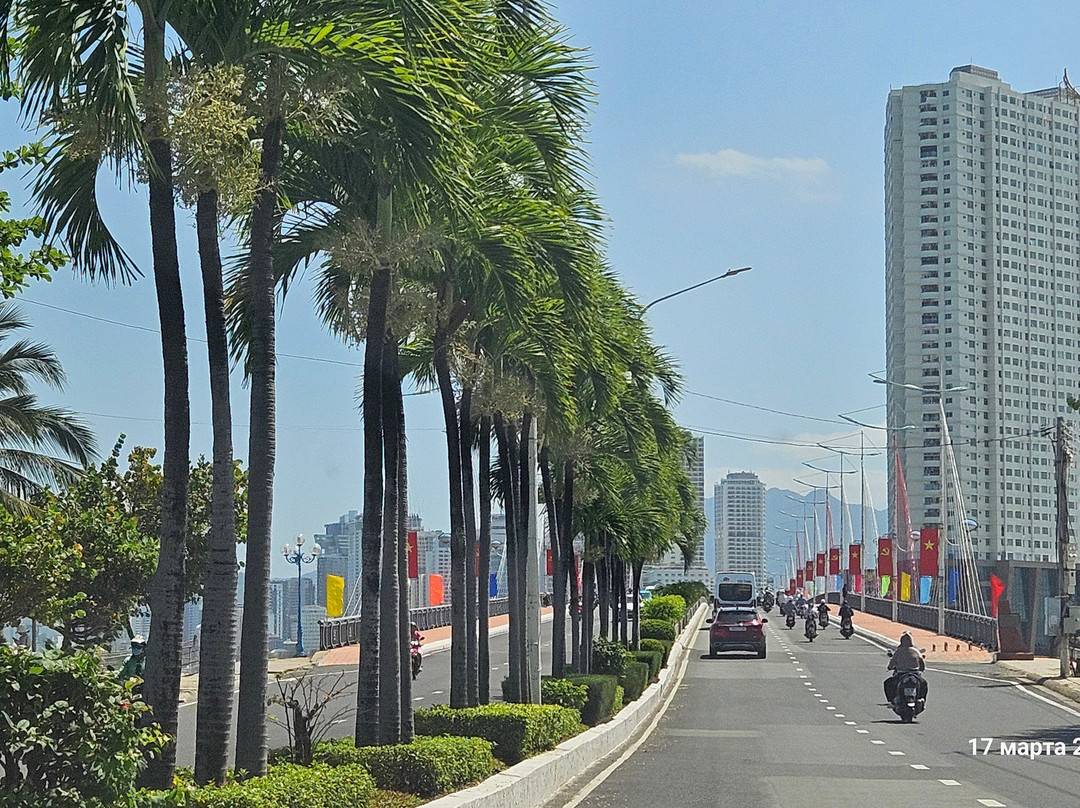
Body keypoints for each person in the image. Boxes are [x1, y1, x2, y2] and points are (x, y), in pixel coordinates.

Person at [884, 632, 926, 702]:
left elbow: (892, 663)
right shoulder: (916, 651)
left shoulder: (899, 651)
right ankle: (922, 699)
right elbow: (922, 662)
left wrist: (889, 667)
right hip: (915, 673)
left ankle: (892, 700)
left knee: (888, 683)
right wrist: (921, 669)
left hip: (901, 673)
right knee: (923, 683)